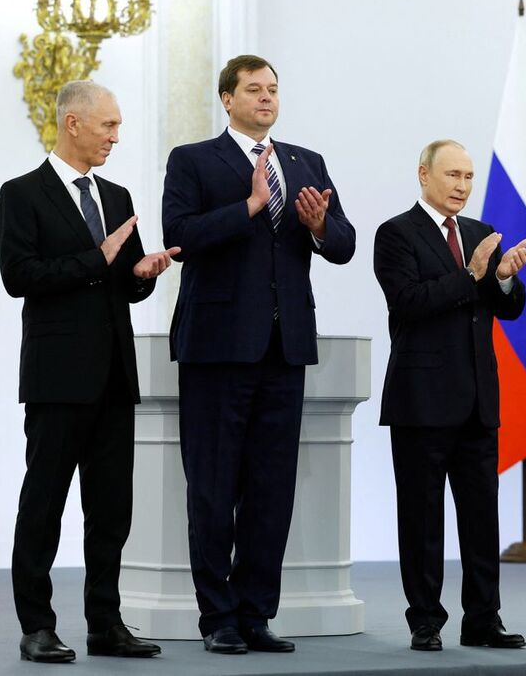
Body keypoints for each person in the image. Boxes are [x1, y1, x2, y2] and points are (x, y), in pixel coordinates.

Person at [162, 54, 355, 655]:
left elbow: (344, 244)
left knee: (272, 489)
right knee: (213, 487)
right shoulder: (194, 159)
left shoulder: (305, 162)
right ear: (227, 98)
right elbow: (179, 236)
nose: (267, 98)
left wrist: (320, 227)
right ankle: (217, 616)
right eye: (254, 89)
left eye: (273, 89)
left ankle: (255, 613)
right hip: (217, 347)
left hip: (284, 346)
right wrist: (247, 207)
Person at [0, 80, 177, 663]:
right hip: (56, 377)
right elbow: (19, 276)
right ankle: (37, 626)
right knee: (44, 504)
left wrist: (142, 274)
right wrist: (96, 258)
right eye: (108, 125)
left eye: (118, 126)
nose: (115, 137)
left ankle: (105, 623)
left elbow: (122, 284)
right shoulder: (21, 193)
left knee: (111, 509)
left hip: (114, 377)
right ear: (72, 123)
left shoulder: (117, 197)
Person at [373, 139, 526, 652]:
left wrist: (502, 278)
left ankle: (483, 619)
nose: (462, 186)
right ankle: (425, 620)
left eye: (468, 177)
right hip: (421, 400)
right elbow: (408, 302)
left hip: (478, 400)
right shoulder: (396, 233)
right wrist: (472, 275)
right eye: (452, 175)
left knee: (482, 517)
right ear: (424, 174)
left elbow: (509, 309)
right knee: (421, 519)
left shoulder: (481, 233)